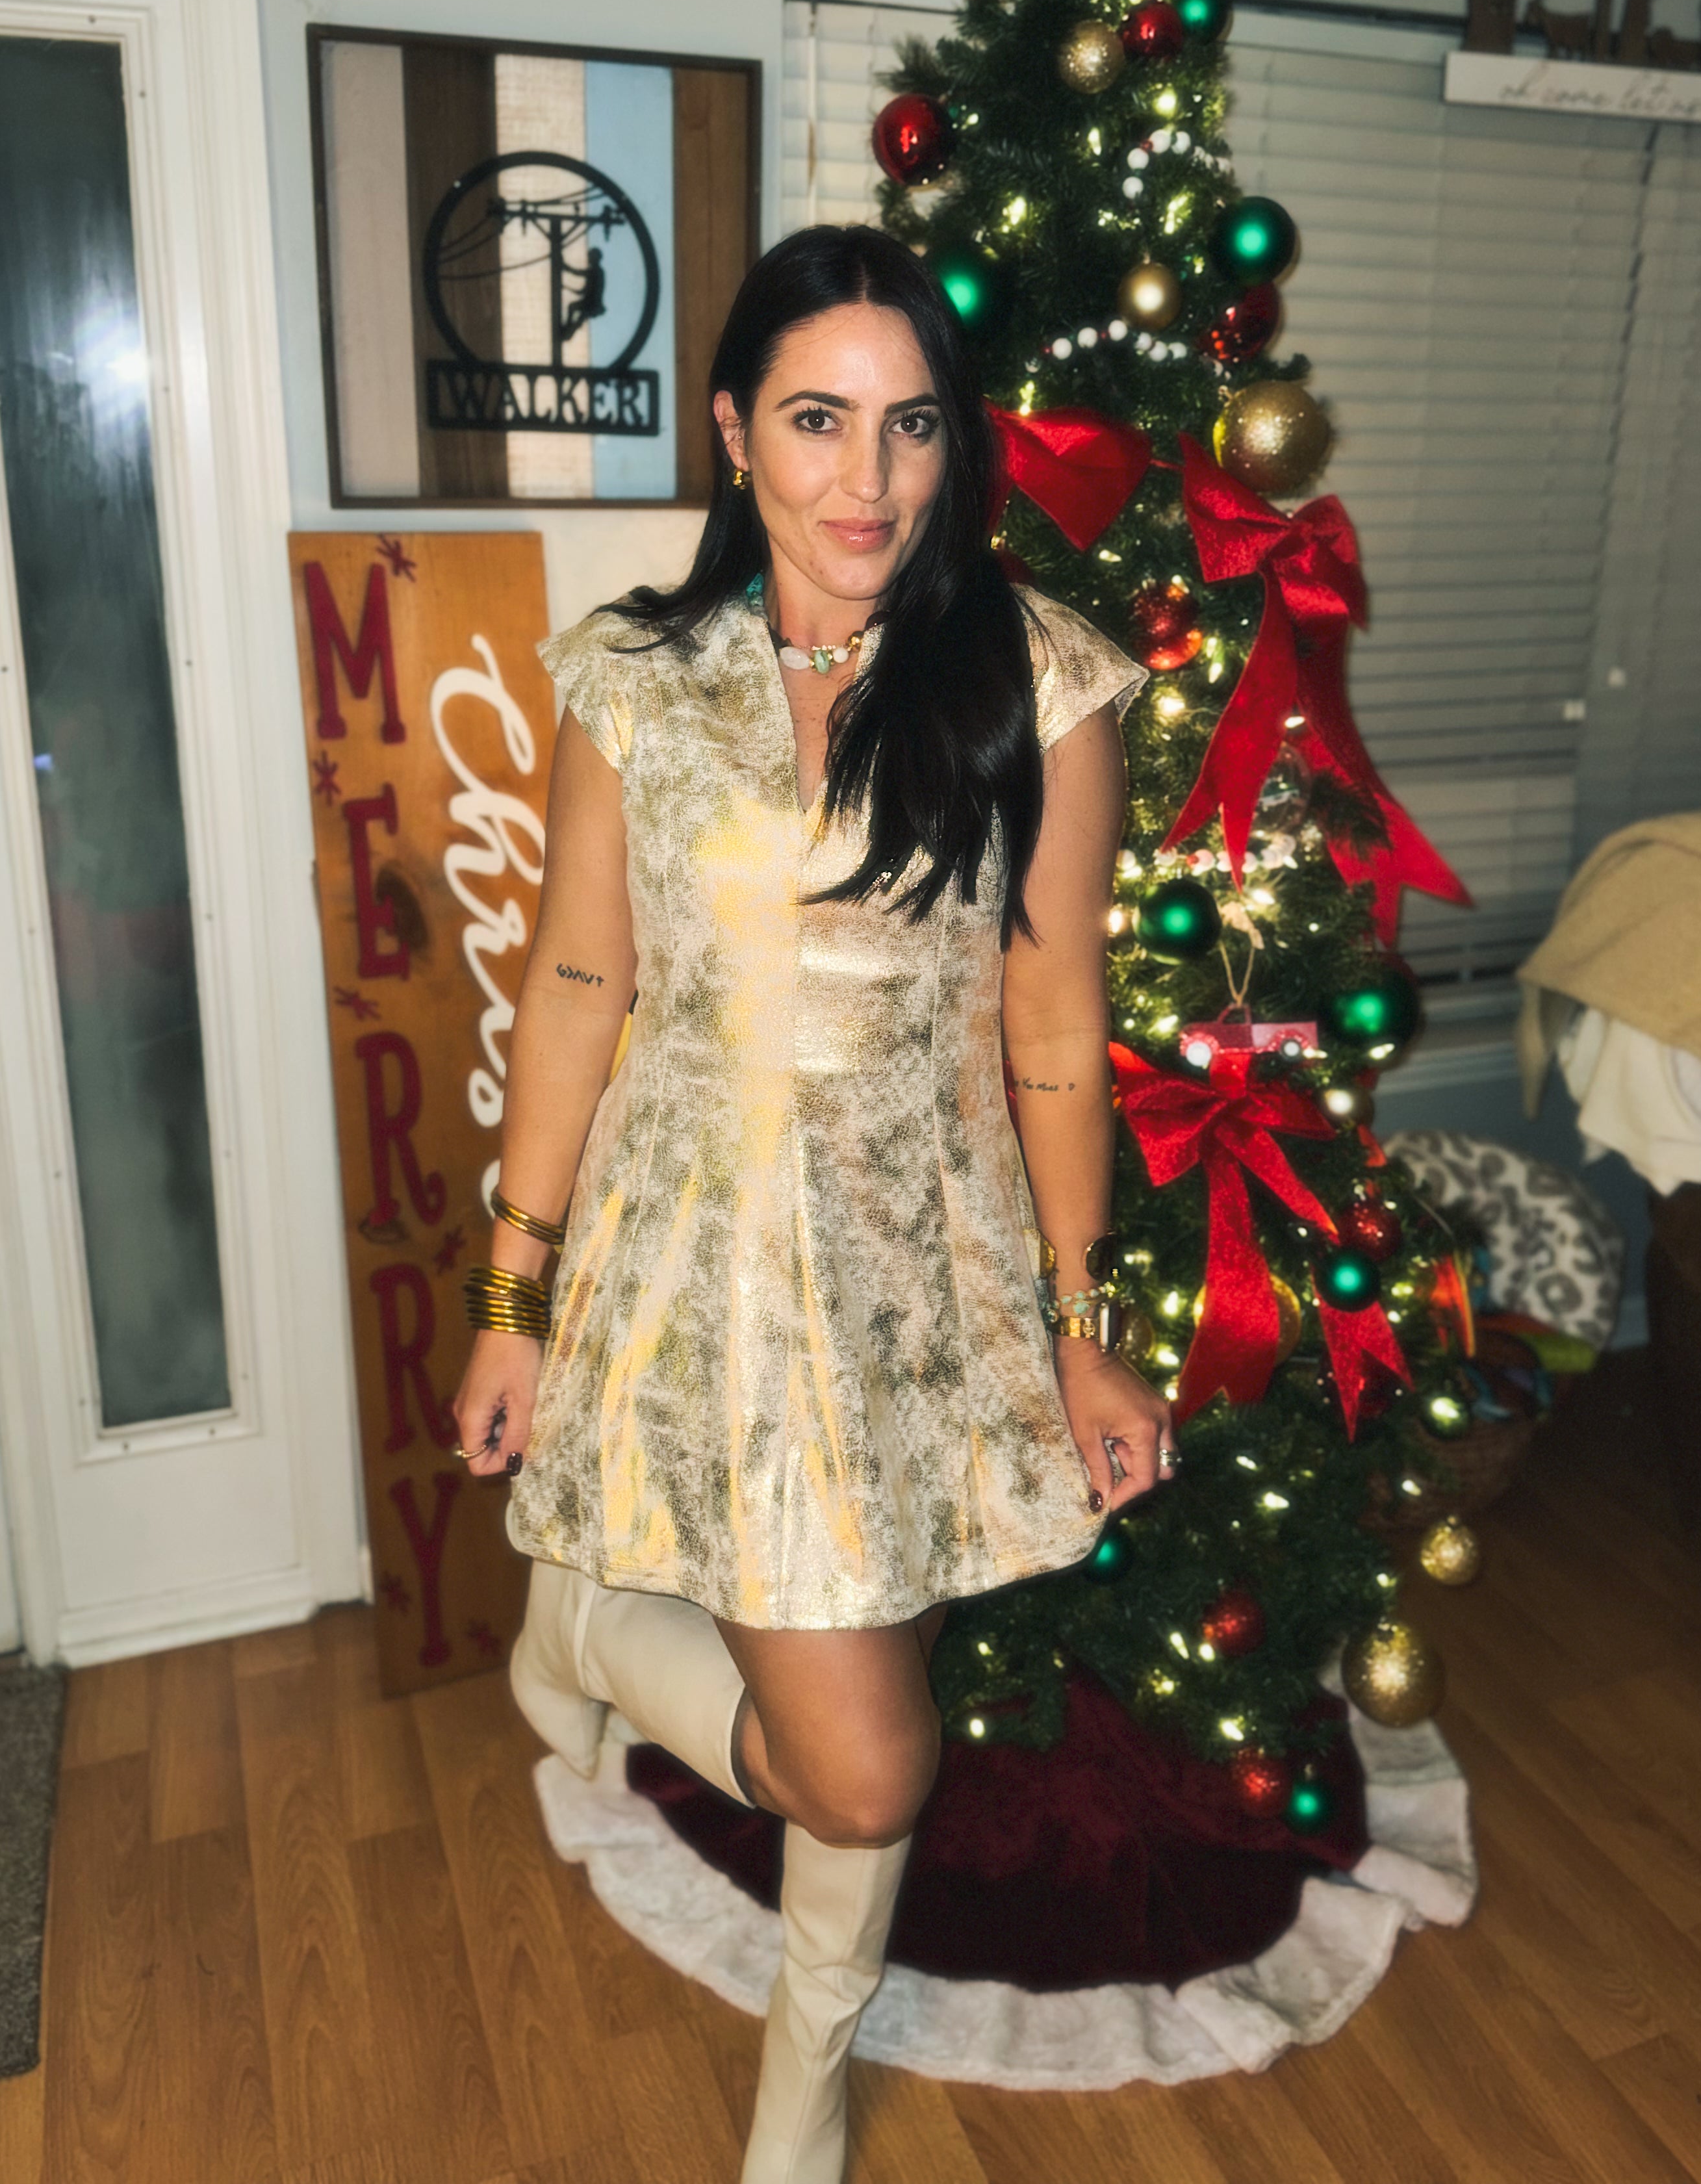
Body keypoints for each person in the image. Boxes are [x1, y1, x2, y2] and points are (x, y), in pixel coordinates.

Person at [451, 224, 1171, 2183]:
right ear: (733, 431)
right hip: (690, 1250)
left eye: (911, 426)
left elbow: (1053, 1020)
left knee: (879, 1700)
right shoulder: (635, 676)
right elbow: (577, 983)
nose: (870, 480)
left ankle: (804, 2080)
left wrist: (1085, 1330)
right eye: (818, 421)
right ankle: (593, 1630)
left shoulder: (1036, 679)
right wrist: (513, 1302)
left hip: (918, 1273)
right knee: (860, 1767)